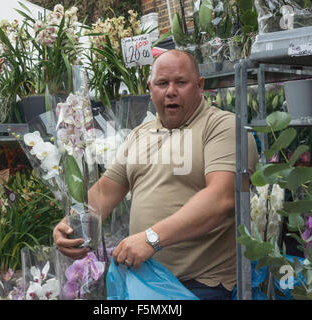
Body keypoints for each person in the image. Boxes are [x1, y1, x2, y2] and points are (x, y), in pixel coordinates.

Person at [53, 49, 259, 300]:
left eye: (181, 82)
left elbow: (221, 198)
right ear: (150, 88)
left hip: (202, 286)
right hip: (143, 281)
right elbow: (106, 191)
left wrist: (152, 238)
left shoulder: (223, 126)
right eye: (162, 83)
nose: (171, 91)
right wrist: (71, 222)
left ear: (200, 85)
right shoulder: (140, 134)